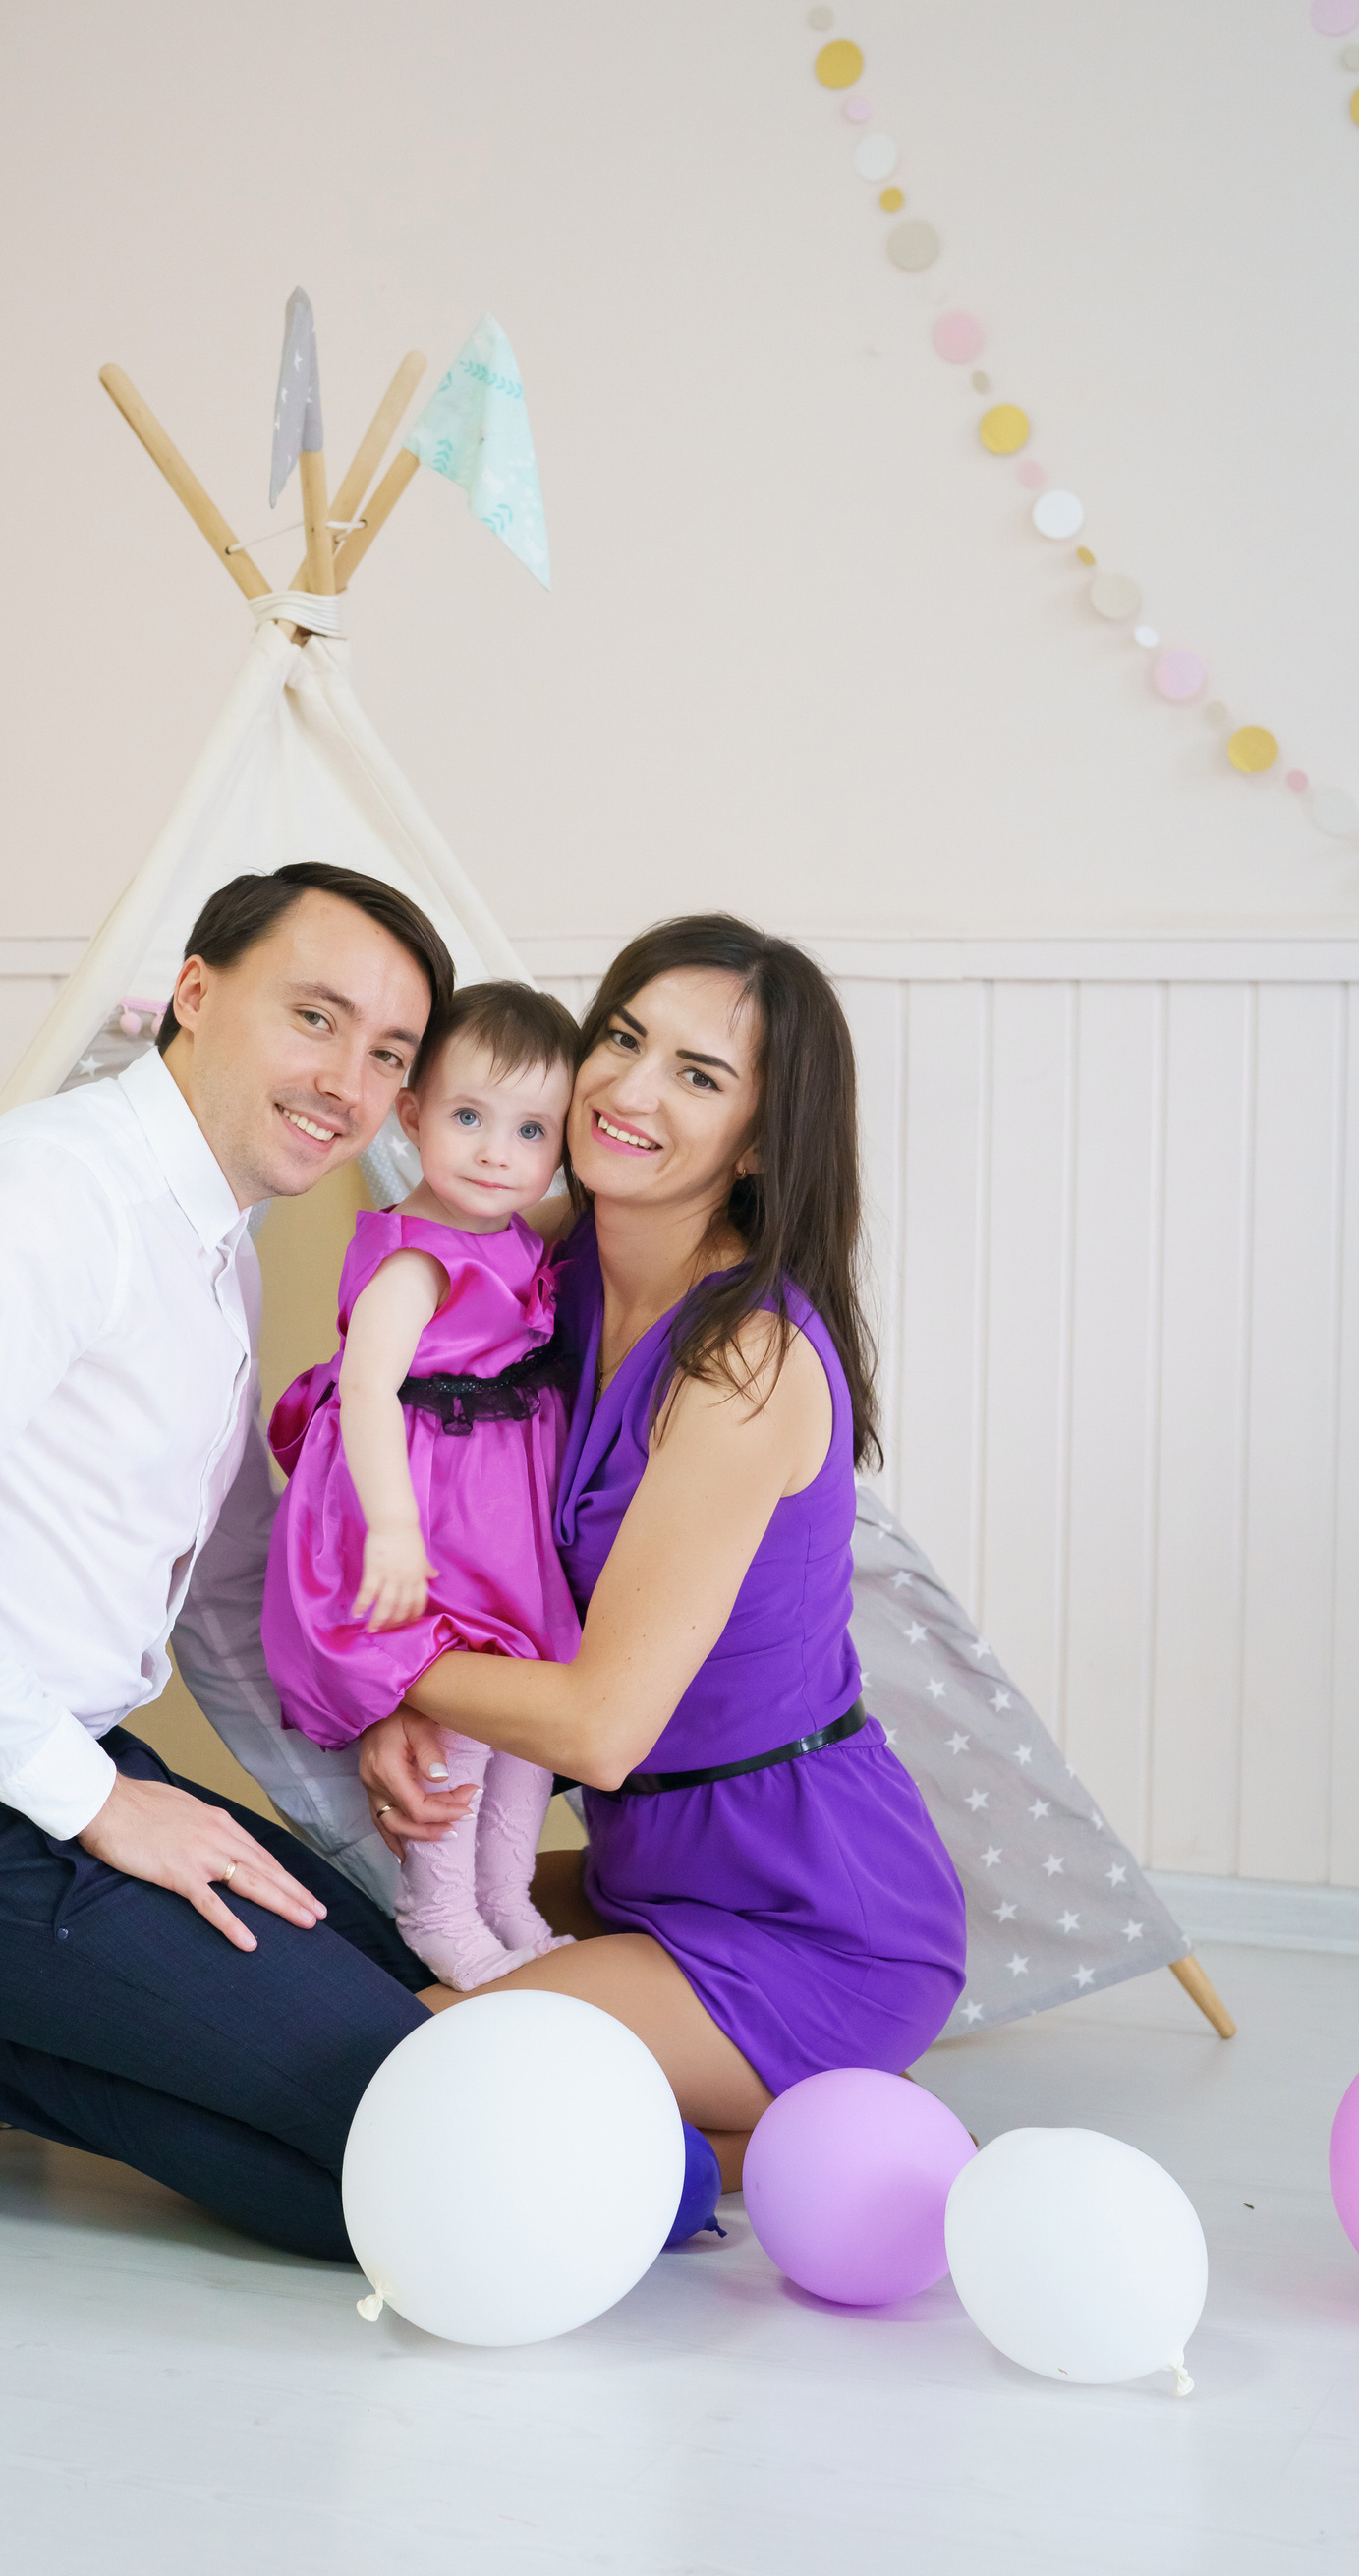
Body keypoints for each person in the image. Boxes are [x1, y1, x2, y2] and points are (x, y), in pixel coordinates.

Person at [0, 863, 456, 2258]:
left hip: (57, 1773)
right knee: (427, 2180)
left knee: (420, 1995)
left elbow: (223, 1600)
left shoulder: (219, 1250)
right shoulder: (49, 1198)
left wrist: (346, 1843)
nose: (349, 1083)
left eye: (389, 1054)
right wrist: (99, 1807)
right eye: (315, 1017)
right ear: (193, 993)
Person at [361, 915, 969, 2192]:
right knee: (326, 1954)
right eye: (623, 1038)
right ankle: (780, 2122)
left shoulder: (746, 1359)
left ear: (758, 1140)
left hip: (811, 1917)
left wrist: (373, 1673)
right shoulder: (546, 1263)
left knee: (387, 2071)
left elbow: (598, 1729)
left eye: (696, 1074)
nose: (629, 1090)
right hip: (643, 1868)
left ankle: (788, 2105)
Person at [260, 981, 584, 1988]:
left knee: (530, 1715)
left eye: (530, 1131)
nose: (497, 1153)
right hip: (430, 1507)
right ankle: (439, 1906)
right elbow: (364, 1389)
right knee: (465, 1710)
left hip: (500, 1510)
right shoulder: (416, 1258)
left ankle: (505, 1895)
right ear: (412, 1116)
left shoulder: (519, 1233)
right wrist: (395, 1530)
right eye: (468, 1118)